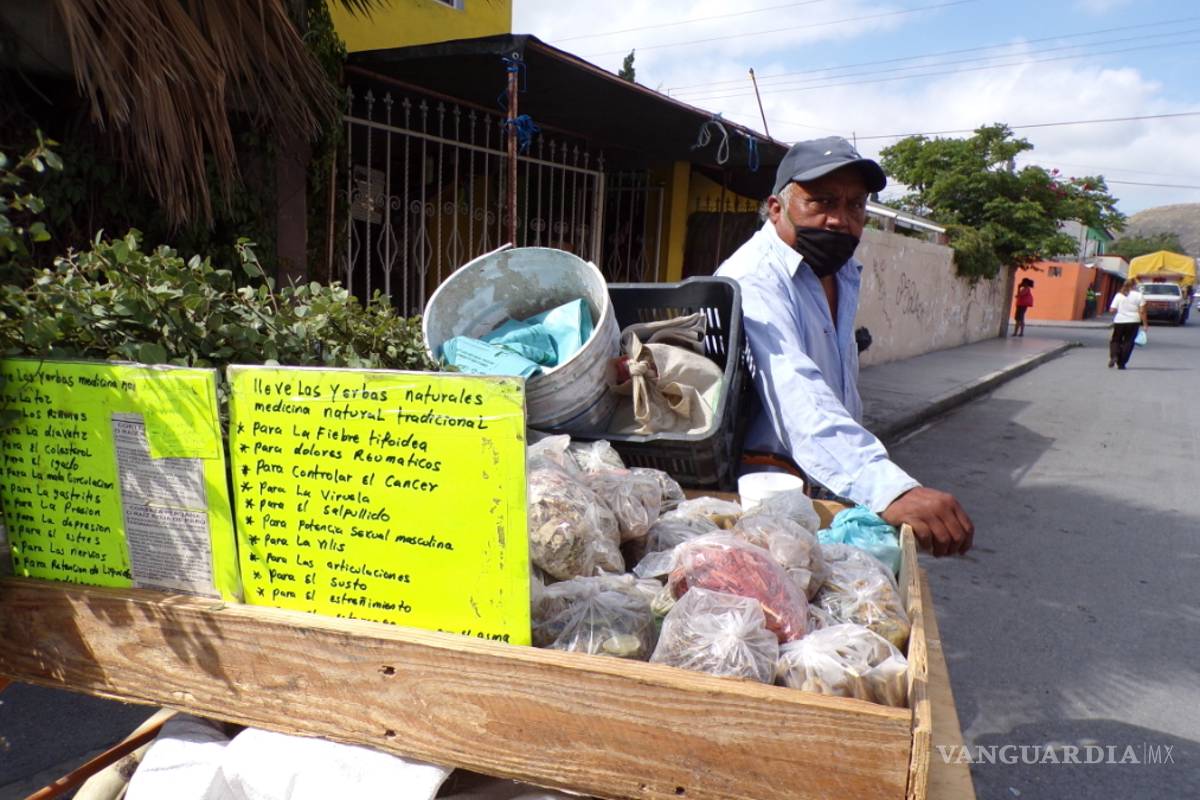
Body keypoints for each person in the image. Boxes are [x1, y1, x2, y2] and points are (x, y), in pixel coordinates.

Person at [716, 137, 973, 557]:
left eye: (855, 205)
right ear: (777, 208)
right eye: (821, 201)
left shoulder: (837, 270)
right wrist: (886, 487)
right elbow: (796, 392)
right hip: (768, 502)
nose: (840, 220)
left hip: (824, 489)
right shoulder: (757, 277)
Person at [1108, 279, 1148, 369]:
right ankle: (1121, 363)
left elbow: (1112, 310)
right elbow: (1142, 312)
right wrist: (1145, 324)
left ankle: (1114, 355)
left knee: (1115, 340)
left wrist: (1120, 309)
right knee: (1128, 342)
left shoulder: (1119, 295)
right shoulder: (1139, 296)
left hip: (1119, 321)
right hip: (1134, 321)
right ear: (1134, 286)